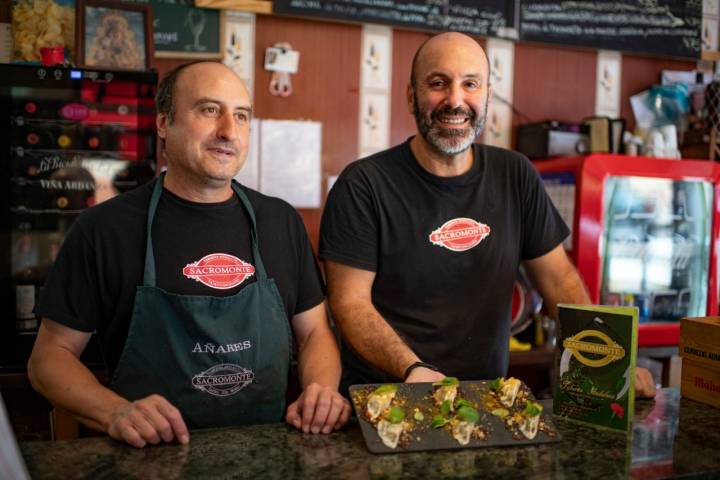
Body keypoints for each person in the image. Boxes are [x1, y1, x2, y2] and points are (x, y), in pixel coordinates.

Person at [28, 61, 350, 448]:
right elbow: (49, 358)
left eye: (242, 116)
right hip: (150, 461)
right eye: (209, 110)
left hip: (267, 453)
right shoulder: (104, 230)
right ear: (164, 123)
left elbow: (315, 331)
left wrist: (320, 390)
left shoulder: (279, 221)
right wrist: (115, 411)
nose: (228, 131)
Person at [319, 32, 656, 398]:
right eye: (437, 83)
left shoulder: (515, 174)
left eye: (470, 84)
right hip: (389, 399)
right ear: (411, 95)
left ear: (487, 96)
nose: (455, 100)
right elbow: (349, 302)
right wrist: (413, 369)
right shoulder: (364, 184)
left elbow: (558, 278)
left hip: (486, 400)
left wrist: (605, 359)